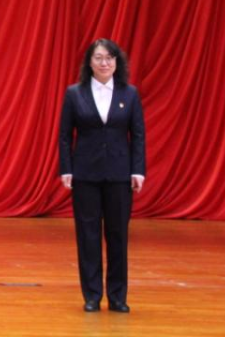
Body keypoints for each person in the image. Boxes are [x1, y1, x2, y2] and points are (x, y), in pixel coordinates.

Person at [58, 38, 145, 313]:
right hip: (85, 174)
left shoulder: (129, 93)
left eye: (109, 57)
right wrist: (66, 169)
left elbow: (138, 135)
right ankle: (92, 295)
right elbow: (64, 136)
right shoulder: (75, 93)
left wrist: (138, 170)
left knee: (118, 235)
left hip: (119, 175)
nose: (104, 63)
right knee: (88, 235)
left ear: (117, 62)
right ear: (89, 62)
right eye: (98, 58)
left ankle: (118, 296)